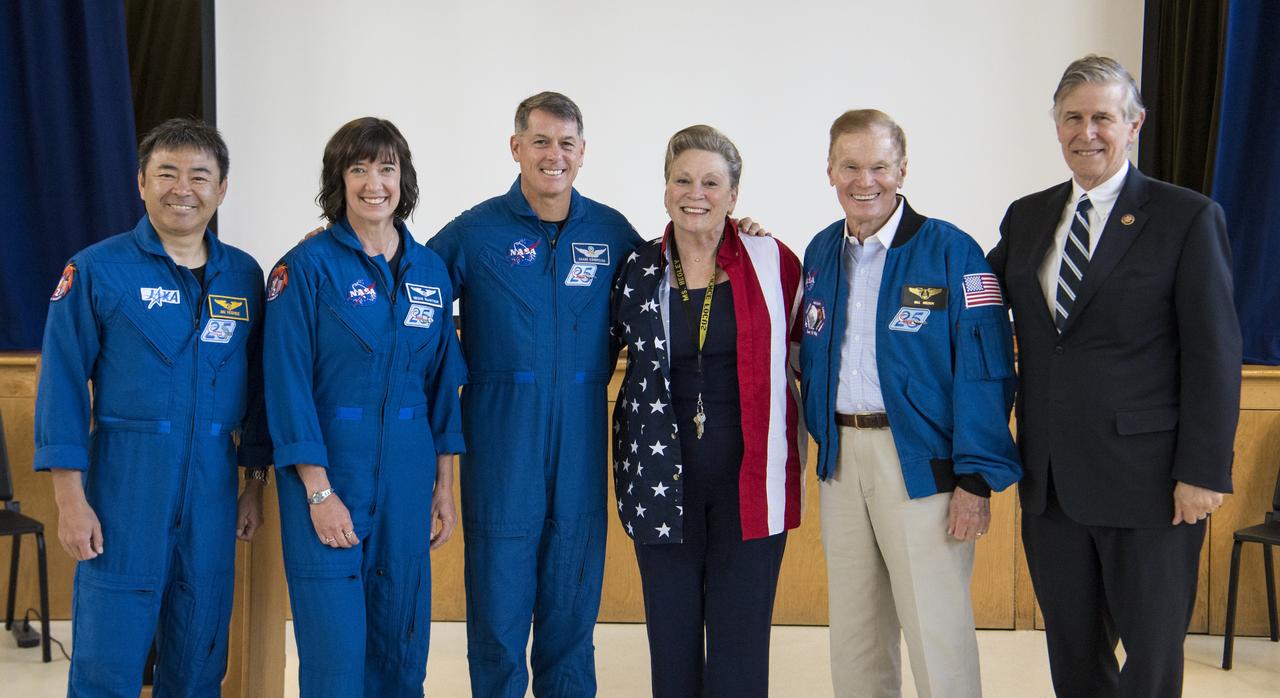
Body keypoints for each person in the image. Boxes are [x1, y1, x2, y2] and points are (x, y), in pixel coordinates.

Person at [426, 92, 769, 697]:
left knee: (571, 618)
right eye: (539, 141)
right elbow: (411, 289)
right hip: (502, 451)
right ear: (515, 148)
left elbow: (680, 260)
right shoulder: (475, 232)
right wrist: (353, 240)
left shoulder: (611, 234)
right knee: (499, 623)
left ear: (582, 153)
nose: (553, 156)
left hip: (583, 449)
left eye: (565, 143)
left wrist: (738, 234)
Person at [987, 55, 1241, 697]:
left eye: (1103, 116)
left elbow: (1214, 353)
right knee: (1074, 656)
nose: (1087, 131)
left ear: (1134, 125)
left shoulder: (1186, 217)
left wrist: (1204, 470)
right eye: (1073, 117)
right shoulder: (1027, 217)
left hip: (1152, 486)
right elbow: (971, 301)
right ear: (1056, 126)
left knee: (1151, 659)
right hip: (1051, 486)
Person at [33, 117, 271, 696]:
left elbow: (260, 390)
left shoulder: (242, 275)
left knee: (198, 657)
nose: (182, 189)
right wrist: (70, 501)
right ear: (141, 182)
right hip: (123, 491)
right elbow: (61, 387)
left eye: (199, 176)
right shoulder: (95, 270)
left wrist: (254, 484)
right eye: (166, 173)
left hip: (213, 492)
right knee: (106, 664)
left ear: (221, 189)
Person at [798, 109, 1022, 697]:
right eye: (850, 166)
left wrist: (975, 479)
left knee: (936, 630)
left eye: (878, 166)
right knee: (854, 633)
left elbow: (987, 372)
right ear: (830, 171)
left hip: (923, 468)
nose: (864, 180)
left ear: (902, 169)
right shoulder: (821, 253)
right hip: (842, 465)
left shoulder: (953, 252)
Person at [263, 117, 466, 696]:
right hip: (331, 473)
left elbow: (442, 386)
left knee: (401, 651)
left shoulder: (430, 271)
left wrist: (444, 486)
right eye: (358, 169)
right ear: (339, 181)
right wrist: (320, 492)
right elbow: (288, 387)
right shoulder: (304, 269)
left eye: (386, 167)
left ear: (404, 178)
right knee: (335, 659)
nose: (374, 182)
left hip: (408, 475)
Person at [609, 125, 804, 697]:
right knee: (670, 645)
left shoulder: (772, 260)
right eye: (683, 180)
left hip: (750, 486)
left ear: (734, 195)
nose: (697, 193)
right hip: (660, 483)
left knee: (740, 647)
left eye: (712, 182)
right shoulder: (637, 269)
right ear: (666, 189)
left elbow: (812, 352)